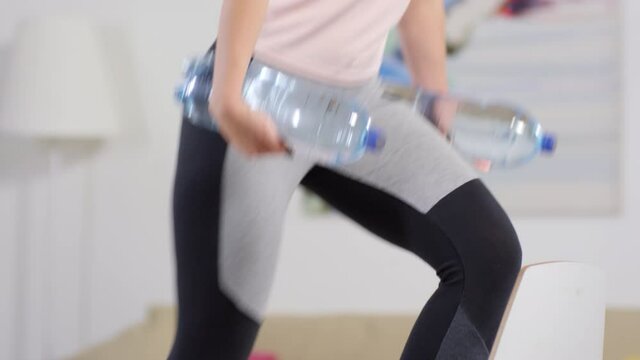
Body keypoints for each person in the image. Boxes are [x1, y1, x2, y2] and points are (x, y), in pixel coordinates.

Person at [168, 0, 522, 359]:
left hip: (358, 101)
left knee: (488, 255)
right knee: (214, 342)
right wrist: (227, 94)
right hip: (259, 88)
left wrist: (434, 99)